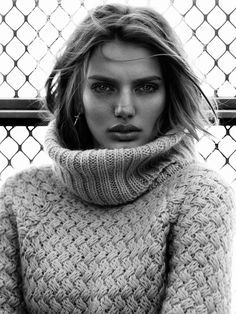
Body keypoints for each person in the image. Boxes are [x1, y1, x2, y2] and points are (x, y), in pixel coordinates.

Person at [0, 3, 235, 313]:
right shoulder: (20, 197)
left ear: (170, 96)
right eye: (103, 87)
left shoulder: (199, 195)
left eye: (146, 87)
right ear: (77, 94)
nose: (124, 108)